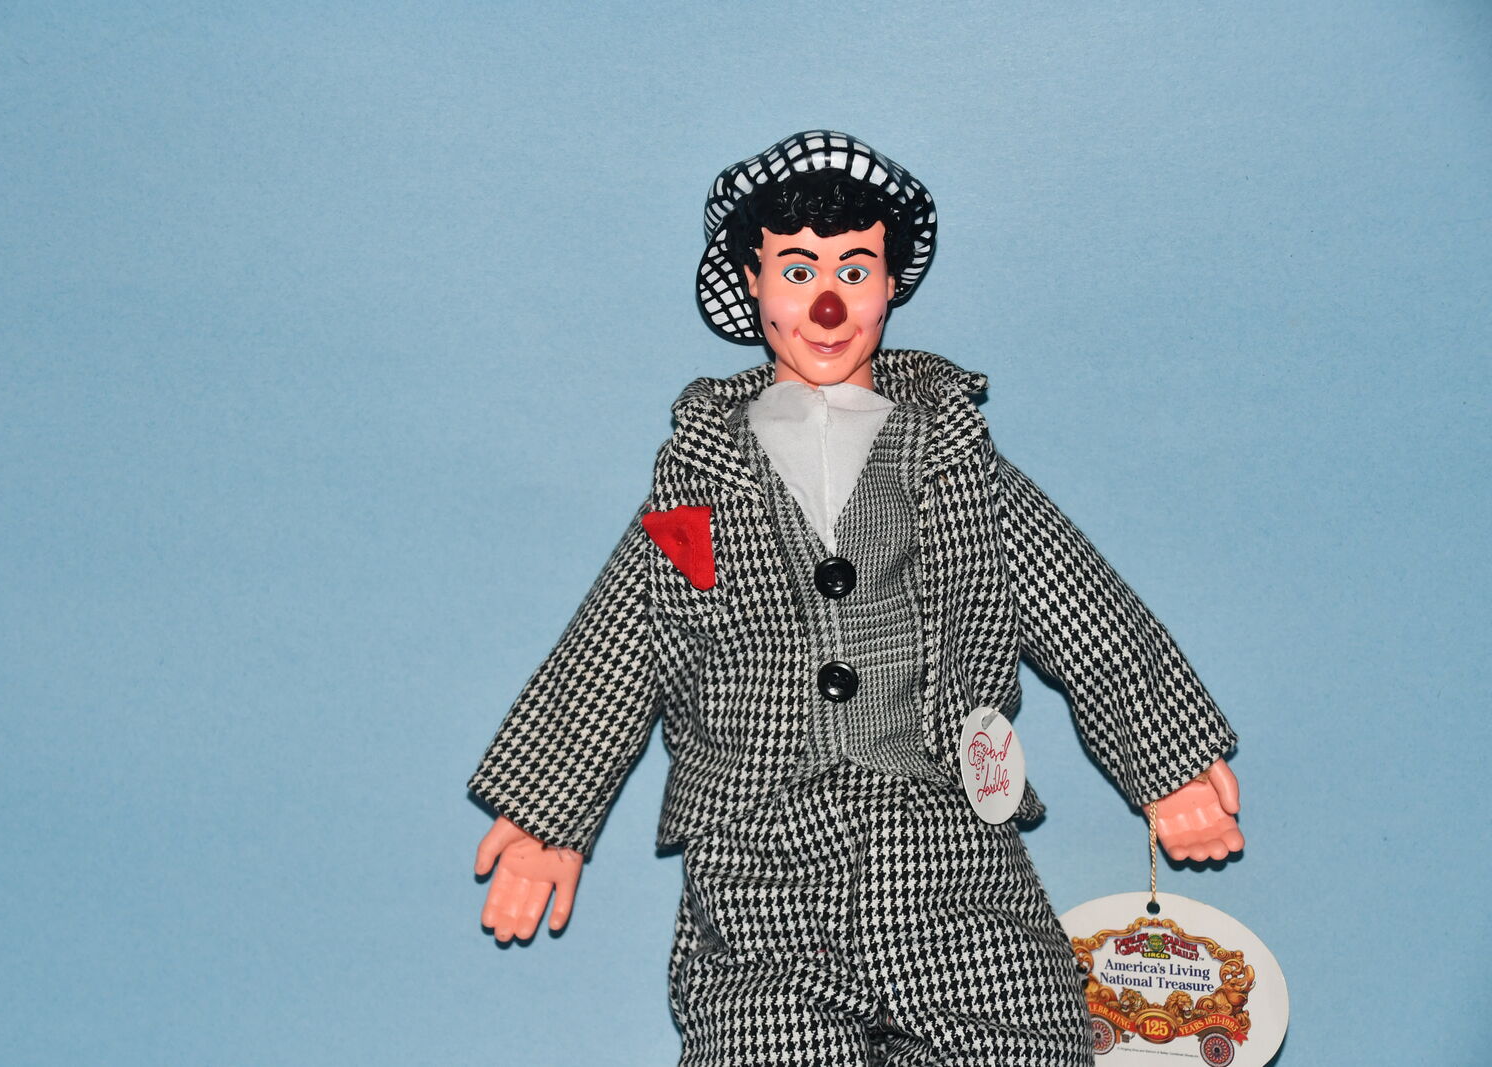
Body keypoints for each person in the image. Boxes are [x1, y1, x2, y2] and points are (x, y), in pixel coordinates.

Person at [469, 131, 1244, 1066]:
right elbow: (624, 638)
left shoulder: (954, 461)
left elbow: (1078, 600)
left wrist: (1166, 754)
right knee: (761, 1045)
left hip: (952, 852)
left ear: (889, 284)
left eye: (854, 270)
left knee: (1023, 1037)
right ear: (753, 283)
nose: (827, 302)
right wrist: (548, 812)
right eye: (798, 271)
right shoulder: (699, 485)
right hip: (760, 866)